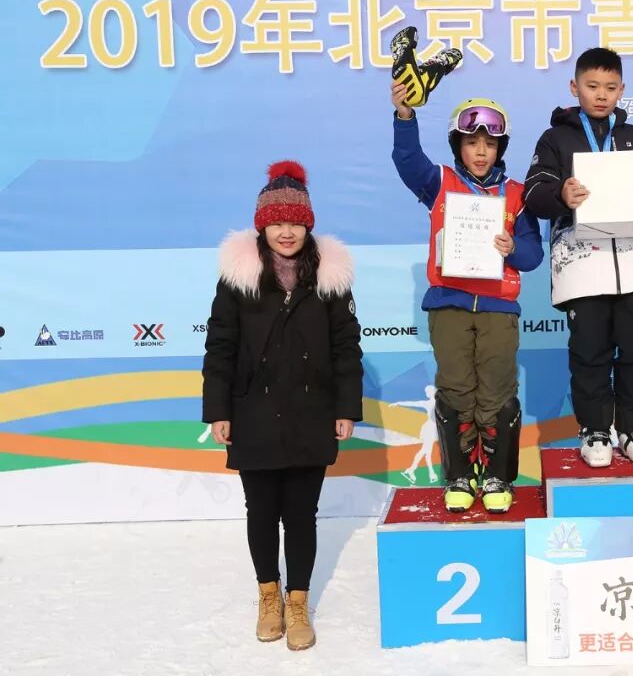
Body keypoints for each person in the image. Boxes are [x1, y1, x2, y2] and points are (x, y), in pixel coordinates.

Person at [202, 160, 364, 649]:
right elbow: (220, 346)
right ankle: (268, 594)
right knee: (260, 511)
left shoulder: (330, 278)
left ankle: (297, 601)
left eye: (295, 222)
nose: (286, 232)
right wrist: (218, 411)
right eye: (277, 223)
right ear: (262, 226)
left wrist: (346, 407)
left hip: (312, 413)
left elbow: (346, 347)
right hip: (252, 413)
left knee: (301, 514)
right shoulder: (238, 279)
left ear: (308, 225)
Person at [391, 83, 544, 513]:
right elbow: (407, 161)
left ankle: (497, 475)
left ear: (500, 148)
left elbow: (534, 255)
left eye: (489, 144)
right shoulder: (439, 182)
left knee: (496, 392)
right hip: (449, 304)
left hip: (498, 309)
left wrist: (512, 247)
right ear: (457, 145)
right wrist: (404, 117)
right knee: (456, 390)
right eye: (472, 142)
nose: (481, 152)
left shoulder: (517, 194)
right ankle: (459, 474)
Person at [523, 46, 633, 468]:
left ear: (622, 89)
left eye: (610, 87)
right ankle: (596, 429)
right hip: (582, 268)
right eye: (592, 86)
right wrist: (560, 194)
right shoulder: (555, 139)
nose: (601, 95)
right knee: (590, 352)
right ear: (574, 87)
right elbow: (533, 195)